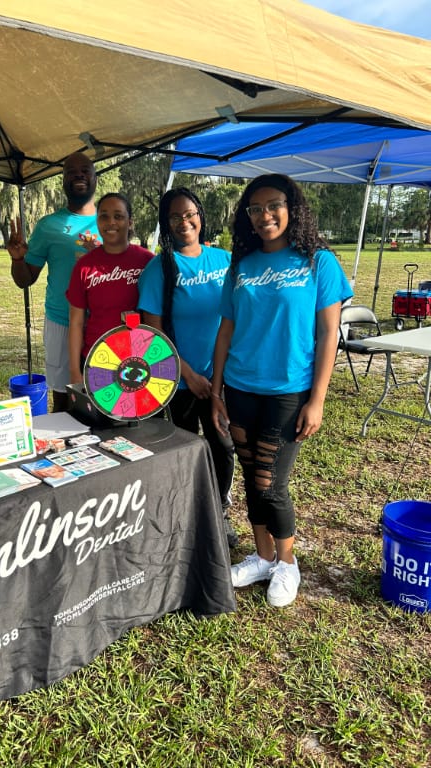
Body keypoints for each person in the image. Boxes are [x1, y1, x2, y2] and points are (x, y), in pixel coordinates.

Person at [211, 173, 352, 607]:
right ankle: (262, 556)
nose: (264, 215)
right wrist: (216, 390)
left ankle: (287, 563)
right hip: (240, 386)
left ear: (292, 208)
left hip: (289, 390)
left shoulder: (318, 262)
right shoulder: (241, 265)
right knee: (251, 476)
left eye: (274, 205)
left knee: (270, 483)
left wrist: (318, 399)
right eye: (255, 209)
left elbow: (328, 334)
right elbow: (226, 329)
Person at [137, 187, 237, 547]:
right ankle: (184, 514)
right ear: (166, 223)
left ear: (201, 216)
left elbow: (237, 317)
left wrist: (216, 379)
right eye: (175, 216)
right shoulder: (159, 269)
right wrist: (189, 375)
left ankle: (219, 511)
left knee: (223, 446)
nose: (184, 221)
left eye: (190, 213)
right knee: (184, 450)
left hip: (221, 377)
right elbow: (153, 334)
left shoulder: (225, 260)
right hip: (178, 381)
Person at [7, 152, 100, 412]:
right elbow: (25, 280)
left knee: (105, 393)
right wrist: (17, 259)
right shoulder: (48, 225)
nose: (79, 175)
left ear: (95, 177)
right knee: (63, 396)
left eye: (85, 170)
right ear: (63, 180)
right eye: (71, 172)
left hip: (103, 322)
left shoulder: (110, 220)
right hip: (61, 321)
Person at [66, 192, 154, 382]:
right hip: (97, 359)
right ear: (97, 221)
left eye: (118, 216)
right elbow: (76, 322)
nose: (111, 222)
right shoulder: (84, 266)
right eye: (104, 216)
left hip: (140, 360)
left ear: (130, 222)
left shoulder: (148, 262)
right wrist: (74, 371)